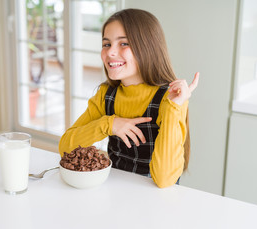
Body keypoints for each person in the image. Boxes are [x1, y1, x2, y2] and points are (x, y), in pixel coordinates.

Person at [59, 8, 199, 188]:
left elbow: (164, 180)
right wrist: (108, 124)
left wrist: (175, 108)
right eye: (106, 44)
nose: (110, 53)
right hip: (115, 192)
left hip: (154, 202)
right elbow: (65, 147)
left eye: (123, 44)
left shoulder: (170, 99)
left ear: (147, 47)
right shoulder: (105, 95)